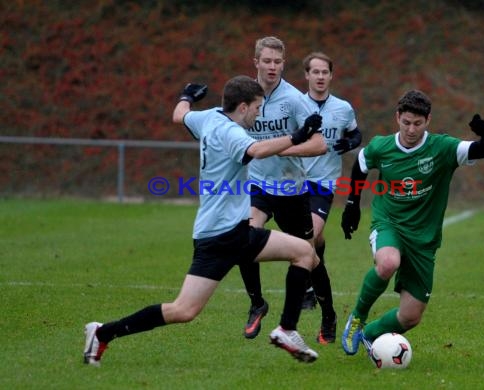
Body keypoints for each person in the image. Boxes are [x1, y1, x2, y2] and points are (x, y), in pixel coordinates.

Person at [83, 75, 325, 366]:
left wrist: (186, 97)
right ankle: (102, 332)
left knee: (304, 252)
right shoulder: (231, 133)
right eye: (258, 108)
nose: (260, 114)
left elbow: (180, 116)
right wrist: (297, 137)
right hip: (219, 236)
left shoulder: (208, 117)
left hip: (237, 232)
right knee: (184, 310)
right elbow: (256, 151)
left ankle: (287, 329)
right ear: (244, 107)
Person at [339, 89, 484, 366]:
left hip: (424, 238)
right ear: (397, 117)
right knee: (388, 263)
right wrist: (352, 203)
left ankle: (370, 333)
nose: (411, 129)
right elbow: (361, 165)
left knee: (410, 317)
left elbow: (483, 149)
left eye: (418, 124)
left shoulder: (442, 148)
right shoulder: (382, 147)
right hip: (390, 223)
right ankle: (357, 318)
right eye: (406, 122)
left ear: (428, 121)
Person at [238, 36, 337, 346]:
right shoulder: (244, 95)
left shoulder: (295, 100)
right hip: (257, 186)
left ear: (284, 63)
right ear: (256, 62)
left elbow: (320, 144)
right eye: (266, 61)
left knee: (310, 255)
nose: (272, 67)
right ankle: (257, 303)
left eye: (277, 62)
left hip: (292, 189)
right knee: (244, 237)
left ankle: (328, 314)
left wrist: (280, 149)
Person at [300, 51, 362, 343]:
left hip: (323, 184)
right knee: (314, 239)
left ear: (331, 75)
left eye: (325, 72)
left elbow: (356, 134)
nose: (320, 77)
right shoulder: (295, 104)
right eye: (315, 72)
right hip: (293, 182)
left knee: (305, 240)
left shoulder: (343, 108)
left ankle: (312, 294)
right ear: (307, 76)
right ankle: (312, 282)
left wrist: (350, 141)